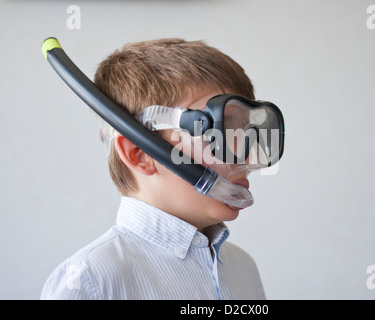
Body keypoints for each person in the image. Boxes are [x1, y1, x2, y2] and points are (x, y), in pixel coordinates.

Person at [41, 38, 277, 299]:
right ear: (140, 154)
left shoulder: (242, 268)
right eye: (222, 131)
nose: (247, 154)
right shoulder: (91, 280)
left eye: (245, 132)